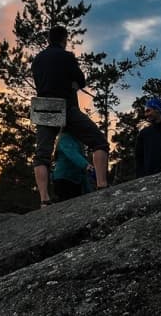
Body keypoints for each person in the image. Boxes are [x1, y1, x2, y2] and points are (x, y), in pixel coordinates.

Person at [32, 26, 110, 207]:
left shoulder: (37, 60)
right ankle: (102, 185)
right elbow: (81, 81)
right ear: (64, 39)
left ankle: (44, 199)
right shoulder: (66, 57)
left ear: (48, 40)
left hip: (43, 106)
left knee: (42, 155)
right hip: (65, 104)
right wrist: (71, 83)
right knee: (99, 142)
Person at [52, 132, 93, 201]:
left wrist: (88, 189)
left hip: (76, 181)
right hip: (63, 179)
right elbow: (72, 154)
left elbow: (82, 170)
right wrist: (86, 165)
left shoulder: (78, 141)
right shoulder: (64, 138)